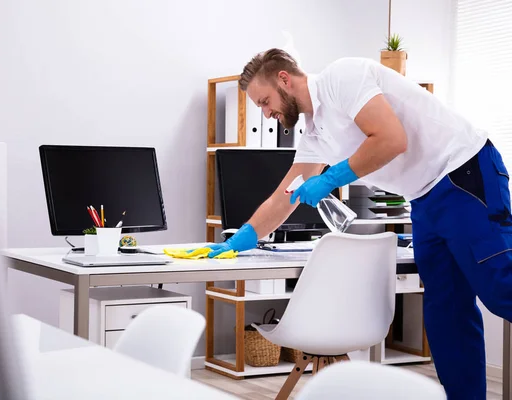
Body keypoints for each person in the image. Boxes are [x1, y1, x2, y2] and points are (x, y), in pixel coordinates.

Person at [205, 48, 512, 400]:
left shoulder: (342, 78)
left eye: (264, 101)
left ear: (284, 80)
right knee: (447, 315)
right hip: (424, 197)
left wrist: (331, 177)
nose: (266, 113)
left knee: (500, 287)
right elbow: (283, 197)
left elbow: (391, 139)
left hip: (462, 172)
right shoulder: (315, 134)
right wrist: (242, 237)